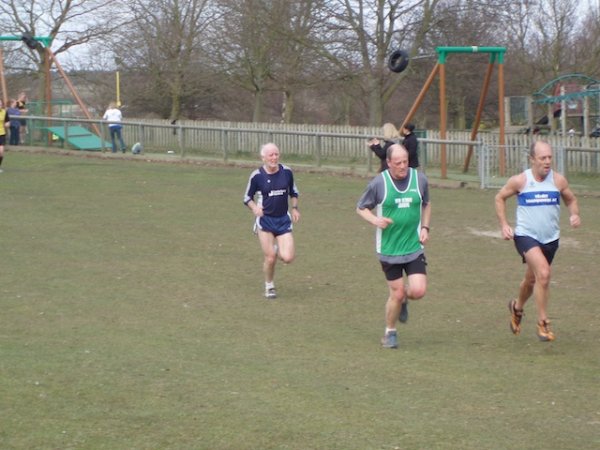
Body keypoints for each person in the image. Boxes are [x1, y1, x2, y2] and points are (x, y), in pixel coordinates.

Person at [495, 140, 580, 342]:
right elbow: (499, 198)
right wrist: (504, 224)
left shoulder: (558, 181)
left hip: (550, 239)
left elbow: (571, 199)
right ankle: (543, 323)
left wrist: (574, 214)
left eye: (550, 157)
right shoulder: (520, 181)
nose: (547, 161)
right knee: (543, 273)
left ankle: (517, 307)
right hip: (526, 236)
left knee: (532, 280)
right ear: (532, 159)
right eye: (543, 158)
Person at [356, 144, 431, 349]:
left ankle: (404, 298)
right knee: (396, 294)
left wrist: (425, 227)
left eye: (405, 161)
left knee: (419, 291)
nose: (403, 166)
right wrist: (375, 220)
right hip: (389, 250)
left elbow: (426, 203)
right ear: (388, 162)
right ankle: (390, 332)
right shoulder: (379, 183)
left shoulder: (419, 179)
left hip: (413, 246)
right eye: (398, 163)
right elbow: (361, 208)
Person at [243, 143, 301, 299]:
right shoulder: (257, 176)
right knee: (270, 258)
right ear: (263, 158)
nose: (274, 158)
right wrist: (254, 208)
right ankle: (269, 286)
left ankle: (275, 250)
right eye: (271, 155)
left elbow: (294, 192)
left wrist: (295, 208)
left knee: (288, 258)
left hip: (283, 220)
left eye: (276, 154)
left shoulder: (287, 172)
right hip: (265, 221)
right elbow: (247, 198)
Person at [0, 99, 11, 173]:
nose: (0, 105)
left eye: (0, 104)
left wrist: (7, 124)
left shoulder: (4, 112)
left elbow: (8, 122)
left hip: (2, 134)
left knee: (1, 152)